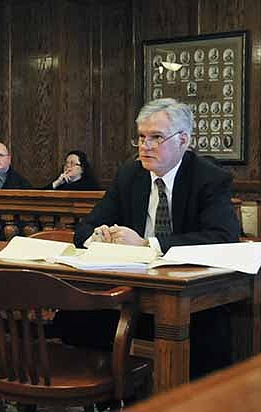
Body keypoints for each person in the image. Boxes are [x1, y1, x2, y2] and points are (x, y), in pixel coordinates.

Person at [71, 98, 240, 379]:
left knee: (208, 333)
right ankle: (105, 393)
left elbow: (222, 237)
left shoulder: (209, 177)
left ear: (183, 140)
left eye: (156, 137)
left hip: (190, 296)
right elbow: (85, 228)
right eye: (141, 138)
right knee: (76, 315)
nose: (145, 146)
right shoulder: (130, 174)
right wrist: (97, 237)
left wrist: (148, 245)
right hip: (134, 291)